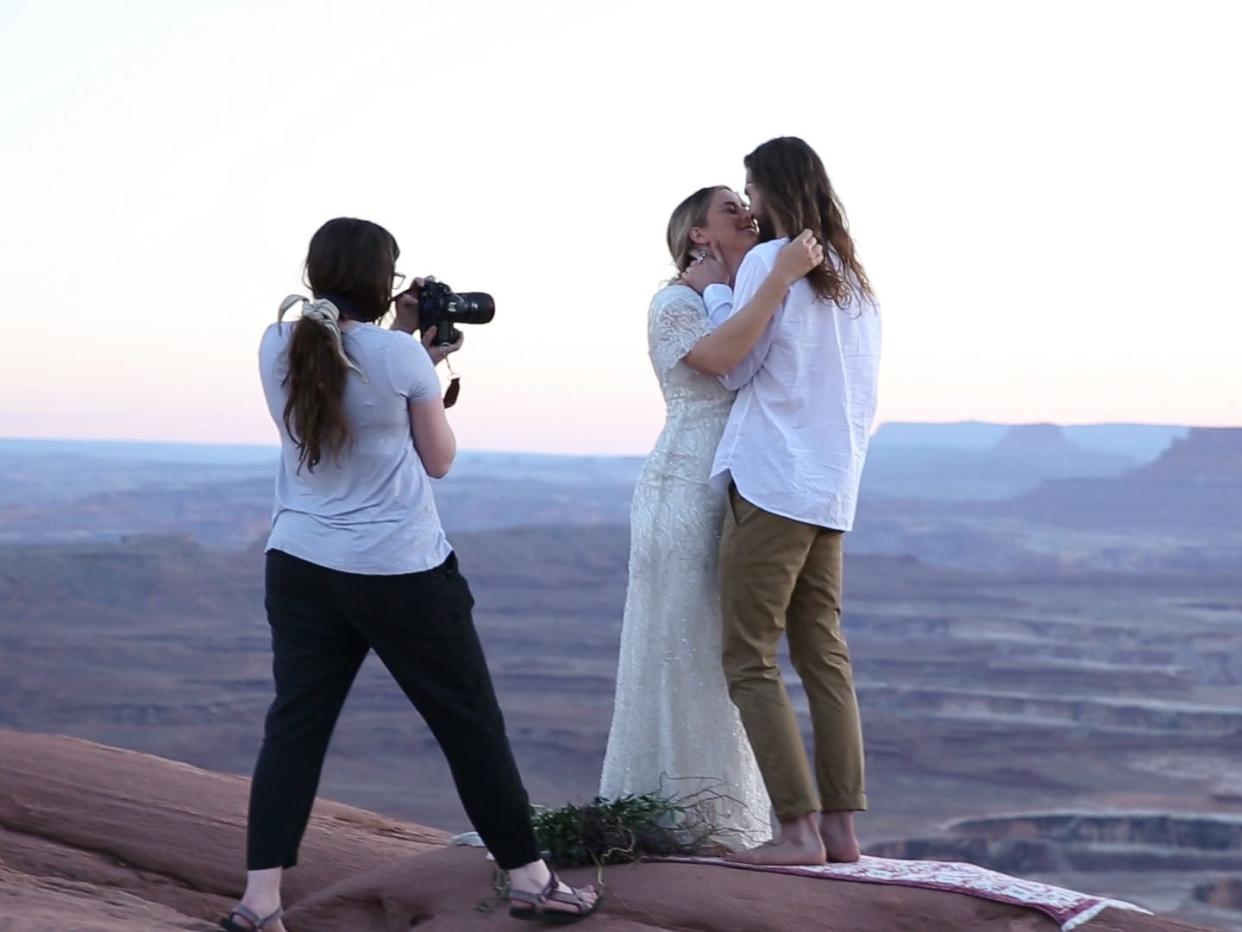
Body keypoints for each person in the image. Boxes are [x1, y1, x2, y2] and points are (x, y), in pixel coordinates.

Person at [221, 217, 597, 931]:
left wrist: (404, 341)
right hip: (399, 569)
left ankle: (259, 902)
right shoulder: (401, 360)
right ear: (385, 281)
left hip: (299, 563)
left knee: (294, 729)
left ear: (314, 273)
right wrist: (422, 355)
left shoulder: (279, 341)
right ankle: (532, 881)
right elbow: (439, 459)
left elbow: (343, 365)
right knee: (468, 724)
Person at [599, 187, 823, 848]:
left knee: (719, 645)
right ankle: (682, 812)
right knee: (682, 641)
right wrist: (780, 279)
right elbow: (721, 362)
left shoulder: (739, 294)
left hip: (732, 487)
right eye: (730, 208)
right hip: (683, 491)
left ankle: (714, 808)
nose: (745, 215)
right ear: (697, 234)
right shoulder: (674, 303)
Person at [708, 137, 882, 866]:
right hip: (832, 487)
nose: (747, 206)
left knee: (748, 655)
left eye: (751, 191)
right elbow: (863, 401)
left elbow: (732, 370)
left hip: (774, 480)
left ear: (773, 188)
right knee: (823, 657)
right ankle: (841, 832)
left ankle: (795, 832)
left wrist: (721, 291)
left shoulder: (767, 264)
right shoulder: (856, 282)